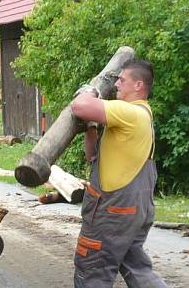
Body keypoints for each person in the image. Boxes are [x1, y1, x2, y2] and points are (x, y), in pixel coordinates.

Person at [70, 58, 168, 288]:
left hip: (112, 213)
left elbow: (79, 106)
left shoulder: (130, 112)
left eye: (122, 80)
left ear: (138, 86)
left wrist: (90, 91)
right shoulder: (142, 116)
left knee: (92, 269)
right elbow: (93, 155)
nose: (116, 85)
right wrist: (92, 127)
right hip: (132, 212)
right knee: (137, 268)